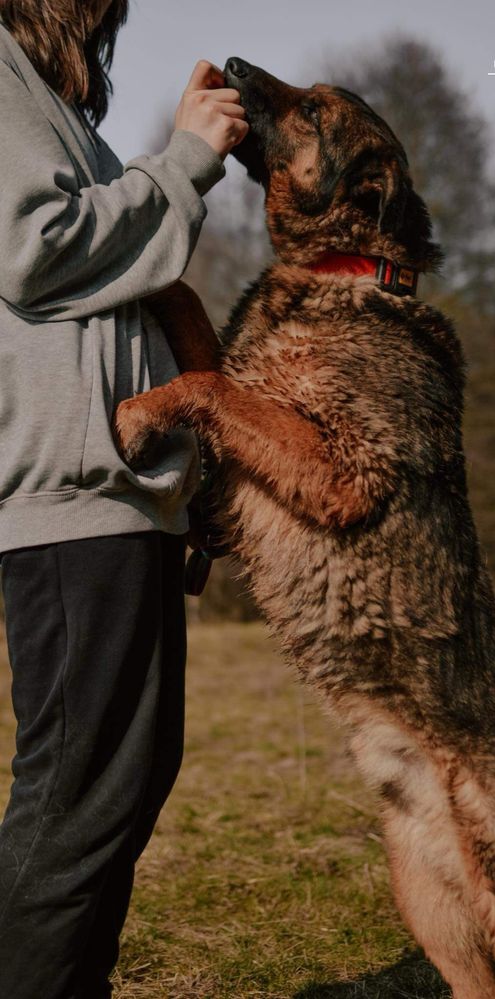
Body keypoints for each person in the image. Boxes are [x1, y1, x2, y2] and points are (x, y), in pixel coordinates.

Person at [0, 2, 248, 996]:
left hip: (119, 498)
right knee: (76, 801)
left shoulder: (54, 104)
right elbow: (36, 248)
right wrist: (182, 161)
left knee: (118, 789)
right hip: (71, 496)